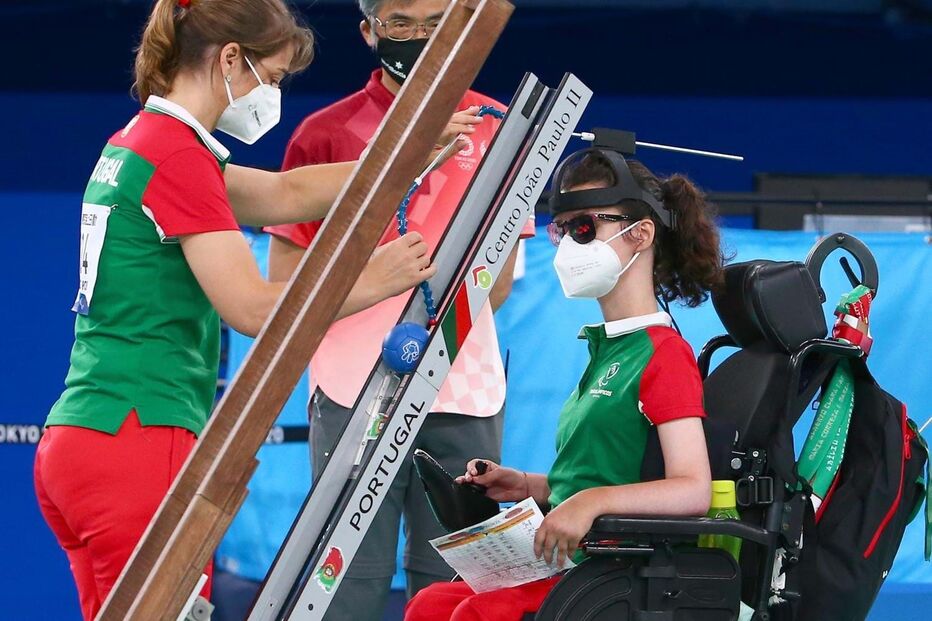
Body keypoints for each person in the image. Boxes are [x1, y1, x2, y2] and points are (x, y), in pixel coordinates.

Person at [31, 1, 474, 619]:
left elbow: (284, 193)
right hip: (139, 437)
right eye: (272, 77)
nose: (272, 96)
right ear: (232, 60)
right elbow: (255, 309)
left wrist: (413, 155)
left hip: (81, 442)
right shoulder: (178, 156)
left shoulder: (144, 142)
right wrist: (376, 277)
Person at [265, 0, 534, 618]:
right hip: (351, 389)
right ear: (367, 30)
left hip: (464, 388)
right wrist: (377, 290)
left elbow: (496, 286)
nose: (419, 39)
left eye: (437, 25)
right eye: (400, 23)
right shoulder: (324, 134)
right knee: (345, 580)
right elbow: (285, 284)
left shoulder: (497, 126)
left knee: (454, 582)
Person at [404, 148, 722, 621]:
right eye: (562, 229)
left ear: (641, 234)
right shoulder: (608, 348)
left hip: (612, 570)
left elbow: (694, 489)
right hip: (573, 558)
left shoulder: (663, 354)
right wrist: (526, 484)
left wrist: (590, 503)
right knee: (430, 604)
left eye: (584, 228)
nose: (568, 245)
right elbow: (603, 472)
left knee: (471, 615)